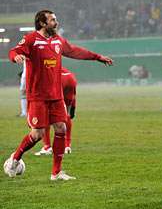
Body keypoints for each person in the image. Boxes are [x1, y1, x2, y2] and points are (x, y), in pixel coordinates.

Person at [4, 9, 113, 180]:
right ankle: (15, 158)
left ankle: (56, 172)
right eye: (53, 20)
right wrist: (16, 56)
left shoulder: (58, 40)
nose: (56, 22)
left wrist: (97, 57)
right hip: (38, 97)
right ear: (42, 23)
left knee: (61, 128)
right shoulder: (32, 39)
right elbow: (13, 51)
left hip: (56, 96)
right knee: (37, 135)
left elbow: (76, 51)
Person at [36, 67, 77, 156]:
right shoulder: (55, 57)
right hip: (70, 78)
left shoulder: (39, 59)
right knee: (66, 114)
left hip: (58, 79)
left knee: (45, 114)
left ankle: (47, 147)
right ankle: (67, 146)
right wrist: (73, 106)